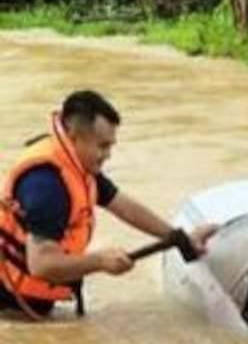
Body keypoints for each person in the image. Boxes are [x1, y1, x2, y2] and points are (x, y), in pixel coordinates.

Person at [0, 90, 217, 318]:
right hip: (8, 303)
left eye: (111, 146)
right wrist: (100, 261)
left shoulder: (78, 166)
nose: (108, 155)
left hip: (25, 300)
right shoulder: (47, 186)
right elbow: (42, 265)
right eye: (103, 146)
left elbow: (123, 206)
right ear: (73, 136)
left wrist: (179, 237)